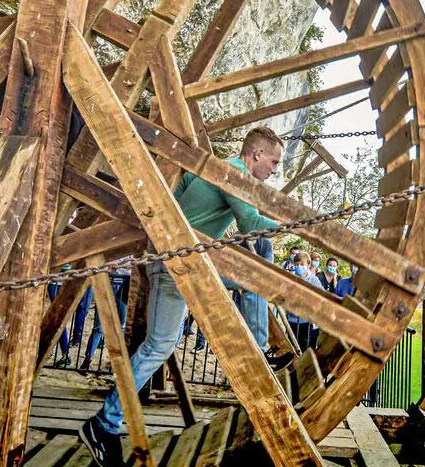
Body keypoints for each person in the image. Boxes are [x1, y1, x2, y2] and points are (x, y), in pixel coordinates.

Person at [81, 128, 288, 467]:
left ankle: (261, 349)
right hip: (176, 267)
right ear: (256, 155)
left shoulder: (211, 168)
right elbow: (251, 223)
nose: (275, 169)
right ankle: (103, 424)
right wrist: (292, 221)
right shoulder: (233, 173)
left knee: (249, 280)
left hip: (177, 261)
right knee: (158, 345)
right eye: (274, 161)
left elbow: (177, 196)